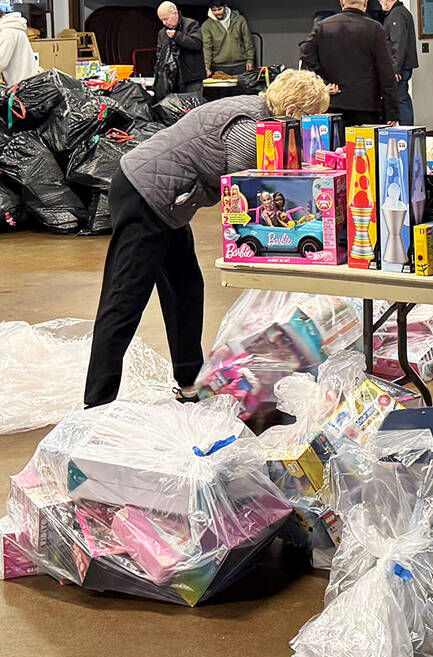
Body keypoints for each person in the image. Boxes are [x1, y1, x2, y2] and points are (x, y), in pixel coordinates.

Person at [81, 69, 331, 408]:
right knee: (125, 297)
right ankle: (96, 403)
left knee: (185, 287)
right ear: (293, 112)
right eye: (310, 118)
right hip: (146, 192)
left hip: (166, 198)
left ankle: (189, 382)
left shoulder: (256, 111)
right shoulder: (251, 129)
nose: (309, 129)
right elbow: (249, 188)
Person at [300, 0, 397, 127]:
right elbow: (386, 72)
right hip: (367, 107)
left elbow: (305, 51)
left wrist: (322, 82)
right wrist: (392, 112)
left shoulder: (323, 27)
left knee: (334, 142)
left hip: (332, 104)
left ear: (341, 1)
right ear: (366, 1)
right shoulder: (375, 29)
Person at [376, 0, 418, 124]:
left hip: (400, 67)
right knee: (402, 97)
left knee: (400, 98)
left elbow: (398, 44)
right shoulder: (402, 12)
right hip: (402, 65)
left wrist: (395, 69)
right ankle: (409, 129)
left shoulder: (396, 15)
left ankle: (407, 130)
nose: (379, 1)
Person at [155, 1, 205, 98]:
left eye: (166, 19)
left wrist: (177, 36)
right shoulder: (162, 33)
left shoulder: (191, 24)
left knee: (193, 105)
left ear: (175, 13)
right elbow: (159, 54)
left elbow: (197, 44)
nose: (164, 23)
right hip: (172, 80)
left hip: (192, 78)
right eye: (162, 20)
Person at [200, 0, 256, 78]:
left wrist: (250, 60)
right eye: (214, 10)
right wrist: (207, 67)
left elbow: (248, 41)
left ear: (225, 7)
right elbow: (207, 47)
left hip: (240, 65)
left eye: (220, 9)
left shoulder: (239, 20)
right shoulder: (207, 25)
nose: (217, 12)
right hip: (219, 66)